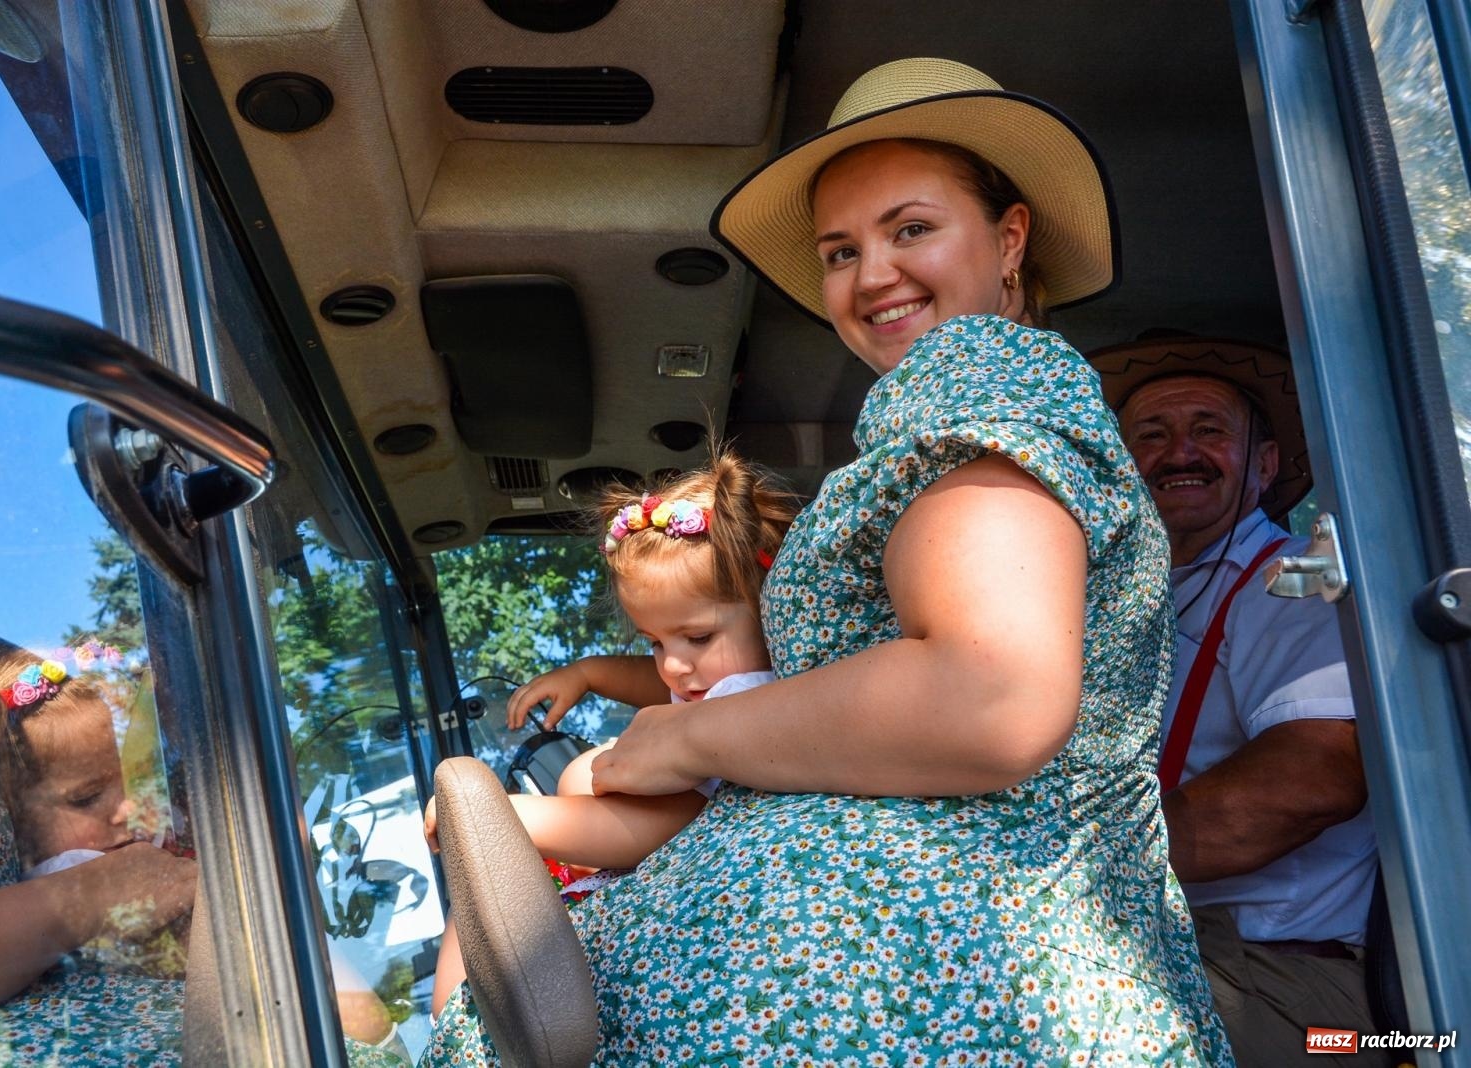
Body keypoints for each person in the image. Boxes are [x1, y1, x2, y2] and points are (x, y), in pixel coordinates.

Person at [421, 57, 1232, 1065]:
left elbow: (987, 695)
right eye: (840, 251)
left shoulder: (980, 390)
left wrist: (682, 743)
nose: (871, 275)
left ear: (1010, 238)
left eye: (910, 229)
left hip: (963, 993)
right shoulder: (943, 412)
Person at [0, 644, 401, 1063]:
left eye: (138, 783)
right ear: (9, 815)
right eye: (85, 797)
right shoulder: (71, 883)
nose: (127, 809)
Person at [1090, 335, 1383, 1067]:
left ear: (1265, 465)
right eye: (1151, 435)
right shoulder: (1129, 597)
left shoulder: (1292, 580)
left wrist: (1079, 863)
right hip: (1177, 947)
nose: (1178, 452)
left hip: (1284, 979)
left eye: (1209, 430)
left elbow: (1316, 777)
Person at [423, 451, 796, 1016]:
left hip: (636, 879)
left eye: (695, 638)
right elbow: (664, 683)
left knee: (476, 937)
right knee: (476, 916)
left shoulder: (748, 704)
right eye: (654, 641)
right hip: (599, 867)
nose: (671, 665)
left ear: (772, 608)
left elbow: (660, 826)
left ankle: (452, 1023)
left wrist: (511, 819)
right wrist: (590, 672)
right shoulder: (727, 682)